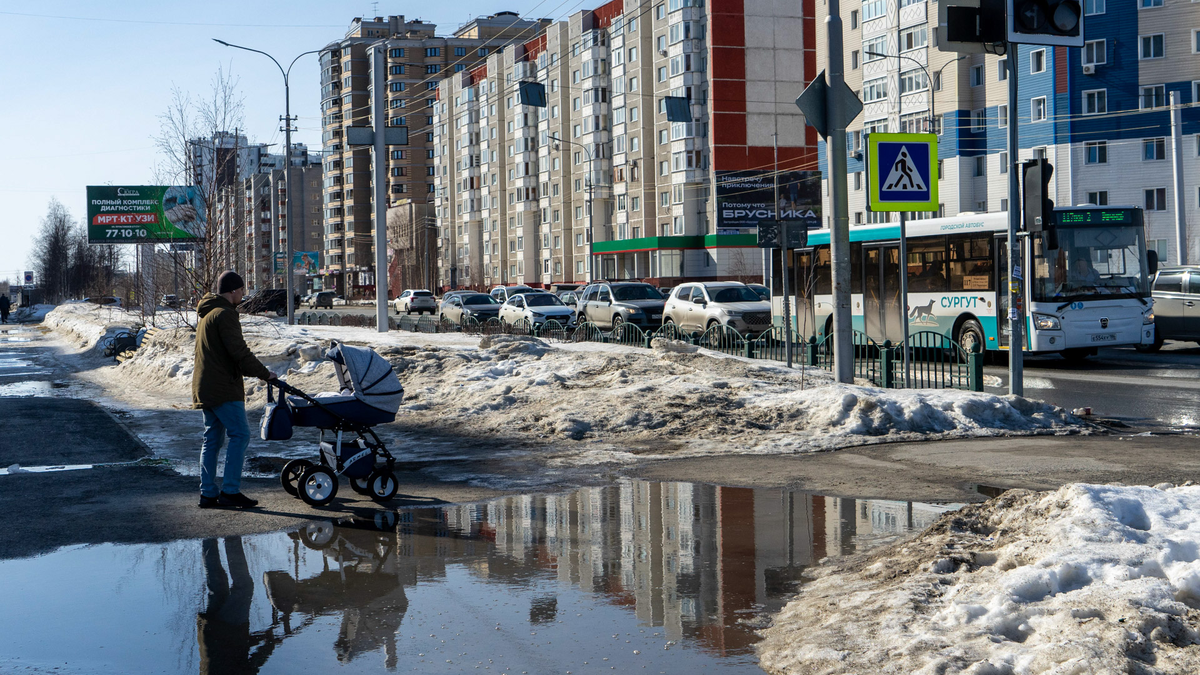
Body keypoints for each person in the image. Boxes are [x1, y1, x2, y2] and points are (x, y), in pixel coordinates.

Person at [194, 271, 276, 509]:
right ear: (232, 291)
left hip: (206, 386)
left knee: (212, 439)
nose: (242, 294)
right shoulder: (225, 315)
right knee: (240, 434)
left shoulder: (208, 313)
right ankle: (230, 491)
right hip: (223, 387)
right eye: (241, 290)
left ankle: (208, 493)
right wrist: (264, 373)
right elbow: (239, 351)